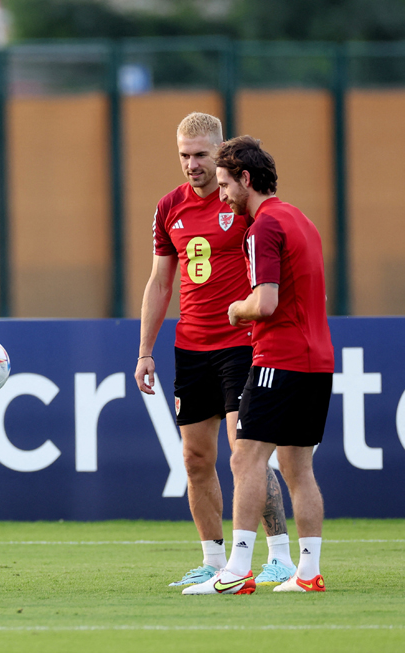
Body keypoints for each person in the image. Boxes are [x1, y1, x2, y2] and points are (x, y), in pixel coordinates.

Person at [134, 113, 295, 588]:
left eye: (201, 155)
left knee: (245, 455)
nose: (191, 165)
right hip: (191, 347)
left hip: (243, 345)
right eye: (184, 155)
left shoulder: (243, 202)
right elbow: (161, 281)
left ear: (221, 152)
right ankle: (211, 558)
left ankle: (279, 557)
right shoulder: (169, 207)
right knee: (194, 459)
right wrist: (146, 351)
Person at [184, 136, 334, 595]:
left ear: (246, 179)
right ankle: (308, 573)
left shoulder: (263, 227)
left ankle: (236, 571)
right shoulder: (301, 220)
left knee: (245, 457)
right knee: (299, 468)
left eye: (227, 184)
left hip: (279, 359)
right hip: (318, 359)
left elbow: (265, 303)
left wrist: (236, 309)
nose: (224, 195)